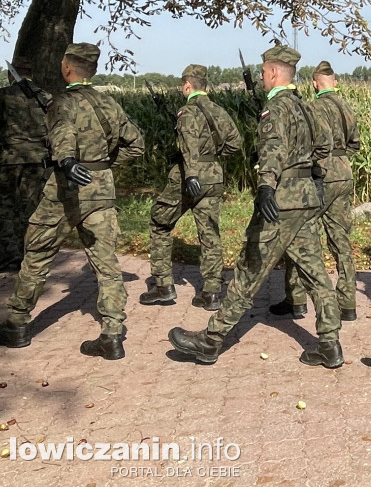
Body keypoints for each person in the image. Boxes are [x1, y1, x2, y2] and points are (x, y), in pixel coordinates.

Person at [168, 45, 344, 368]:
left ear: (274, 72)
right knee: (316, 273)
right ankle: (330, 343)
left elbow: (274, 150)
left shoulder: (274, 109)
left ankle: (211, 339)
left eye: (264, 71)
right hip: (305, 201)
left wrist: (266, 185)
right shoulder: (307, 108)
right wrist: (312, 178)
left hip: (280, 202)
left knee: (249, 269)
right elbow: (325, 146)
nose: (261, 76)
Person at [0, 43, 144, 360]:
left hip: (65, 189)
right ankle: (112, 334)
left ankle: (18, 323)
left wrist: (67, 162)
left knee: (36, 253)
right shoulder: (109, 103)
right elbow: (137, 145)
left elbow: (62, 134)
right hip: (101, 189)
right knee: (106, 265)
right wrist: (103, 165)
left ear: (67, 68)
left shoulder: (63, 102)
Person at [140, 64, 242, 310]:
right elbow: (235, 143)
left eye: (182, 86)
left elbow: (189, 147)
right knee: (209, 233)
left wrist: (192, 174)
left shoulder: (187, 112)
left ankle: (163, 285)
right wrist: (213, 155)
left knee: (160, 222)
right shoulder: (218, 110)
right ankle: (212, 292)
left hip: (188, 178)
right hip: (214, 176)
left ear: (187, 85)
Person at [268, 60, 362, 321]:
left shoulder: (313, 107)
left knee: (299, 233)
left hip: (321, 173)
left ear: (313, 83)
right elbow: (355, 143)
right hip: (344, 173)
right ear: (335, 81)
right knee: (341, 240)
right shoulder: (347, 107)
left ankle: (296, 299)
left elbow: (313, 142)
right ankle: (348, 302)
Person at [0, 57, 51, 273]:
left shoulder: (4, 96)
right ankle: (31, 255)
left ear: (13, 74)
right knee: (32, 207)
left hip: (8, 159)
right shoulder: (45, 97)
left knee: (5, 207)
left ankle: (9, 257)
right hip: (38, 159)